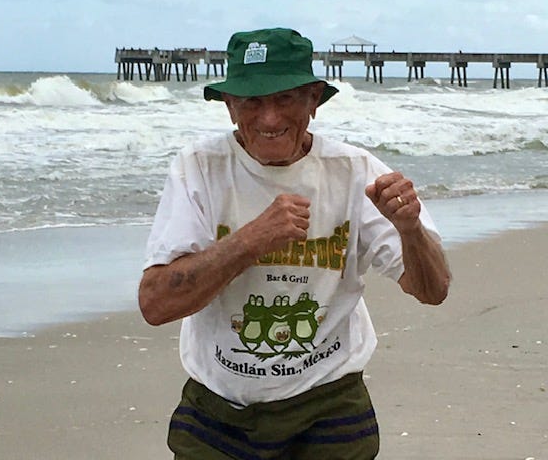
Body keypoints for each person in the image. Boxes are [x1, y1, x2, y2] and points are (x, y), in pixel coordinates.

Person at [138, 28, 450, 460]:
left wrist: (410, 229)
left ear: (313, 100)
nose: (269, 118)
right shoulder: (200, 169)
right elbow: (155, 304)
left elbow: (433, 290)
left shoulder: (355, 171)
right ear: (230, 107)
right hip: (219, 406)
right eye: (252, 101)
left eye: (284, 98)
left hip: (329, 402)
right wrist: (249, 241)